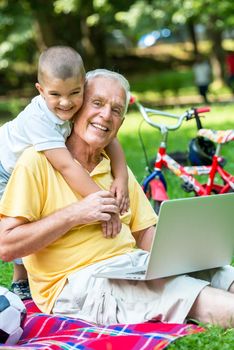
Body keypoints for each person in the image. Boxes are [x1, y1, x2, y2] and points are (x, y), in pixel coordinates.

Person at [0, 69, 234, 328]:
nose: (105, 115)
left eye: (116, 109)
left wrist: (183, 257)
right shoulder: (36, 162)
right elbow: (6, 245)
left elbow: (145, 234)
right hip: (78, 282)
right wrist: (76, 214)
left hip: (132, 265)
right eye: (97, 103)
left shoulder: (115, 169)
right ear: (76, 108)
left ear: (120, 124)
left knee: (222, 273)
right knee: (191, 294)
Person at [0, 47, 129, 300]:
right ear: (40, 90)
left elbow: (111, 141)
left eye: (74, 93)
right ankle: (21, 280)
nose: (66, 102)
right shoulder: (40, 120)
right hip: (3, 169)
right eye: (55, 94)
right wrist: (106, 206)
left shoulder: (71, 109)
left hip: (25, 165)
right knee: (19, 220)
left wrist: (122, 177)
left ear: (84, 86)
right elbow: (67, 166)